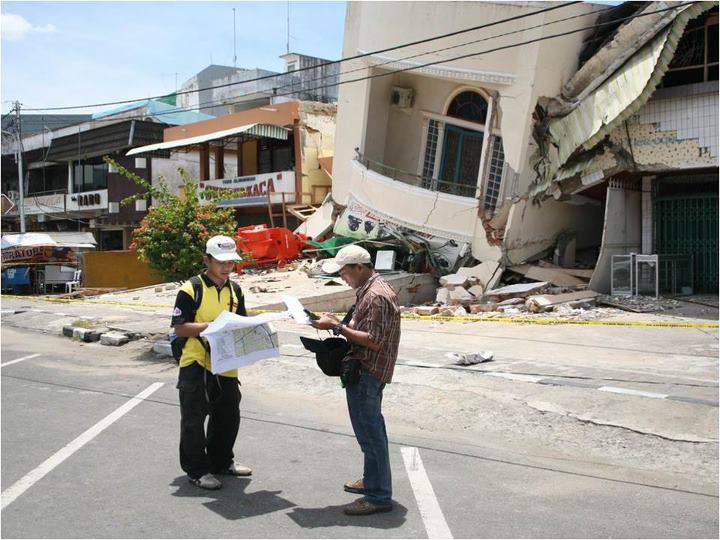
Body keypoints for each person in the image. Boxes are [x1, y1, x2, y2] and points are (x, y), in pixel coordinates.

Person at [311, 245, 401, 515]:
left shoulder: (376, 296)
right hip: (365, 370)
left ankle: (378, 495)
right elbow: (364, 329)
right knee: (369, 433)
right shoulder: (369, 291)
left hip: (368, 372)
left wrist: (337, 327)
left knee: (371, 435)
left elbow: (373, 341)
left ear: (359, 268)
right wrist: (337, 321)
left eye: (344, 272)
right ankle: (372, 481)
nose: (342, 278)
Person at [171, 235, 252, 490]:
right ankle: (196, 470)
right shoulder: (191, 289)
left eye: (231, 262)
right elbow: (180, 329)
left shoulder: (235, 290)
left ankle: (222, 462)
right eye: (221, 262)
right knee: (194, 417)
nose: (227, 267)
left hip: (226, 361)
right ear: (207, 260)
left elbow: (240, 323)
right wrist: (212, 327)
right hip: (196, 359)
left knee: (228, 415)